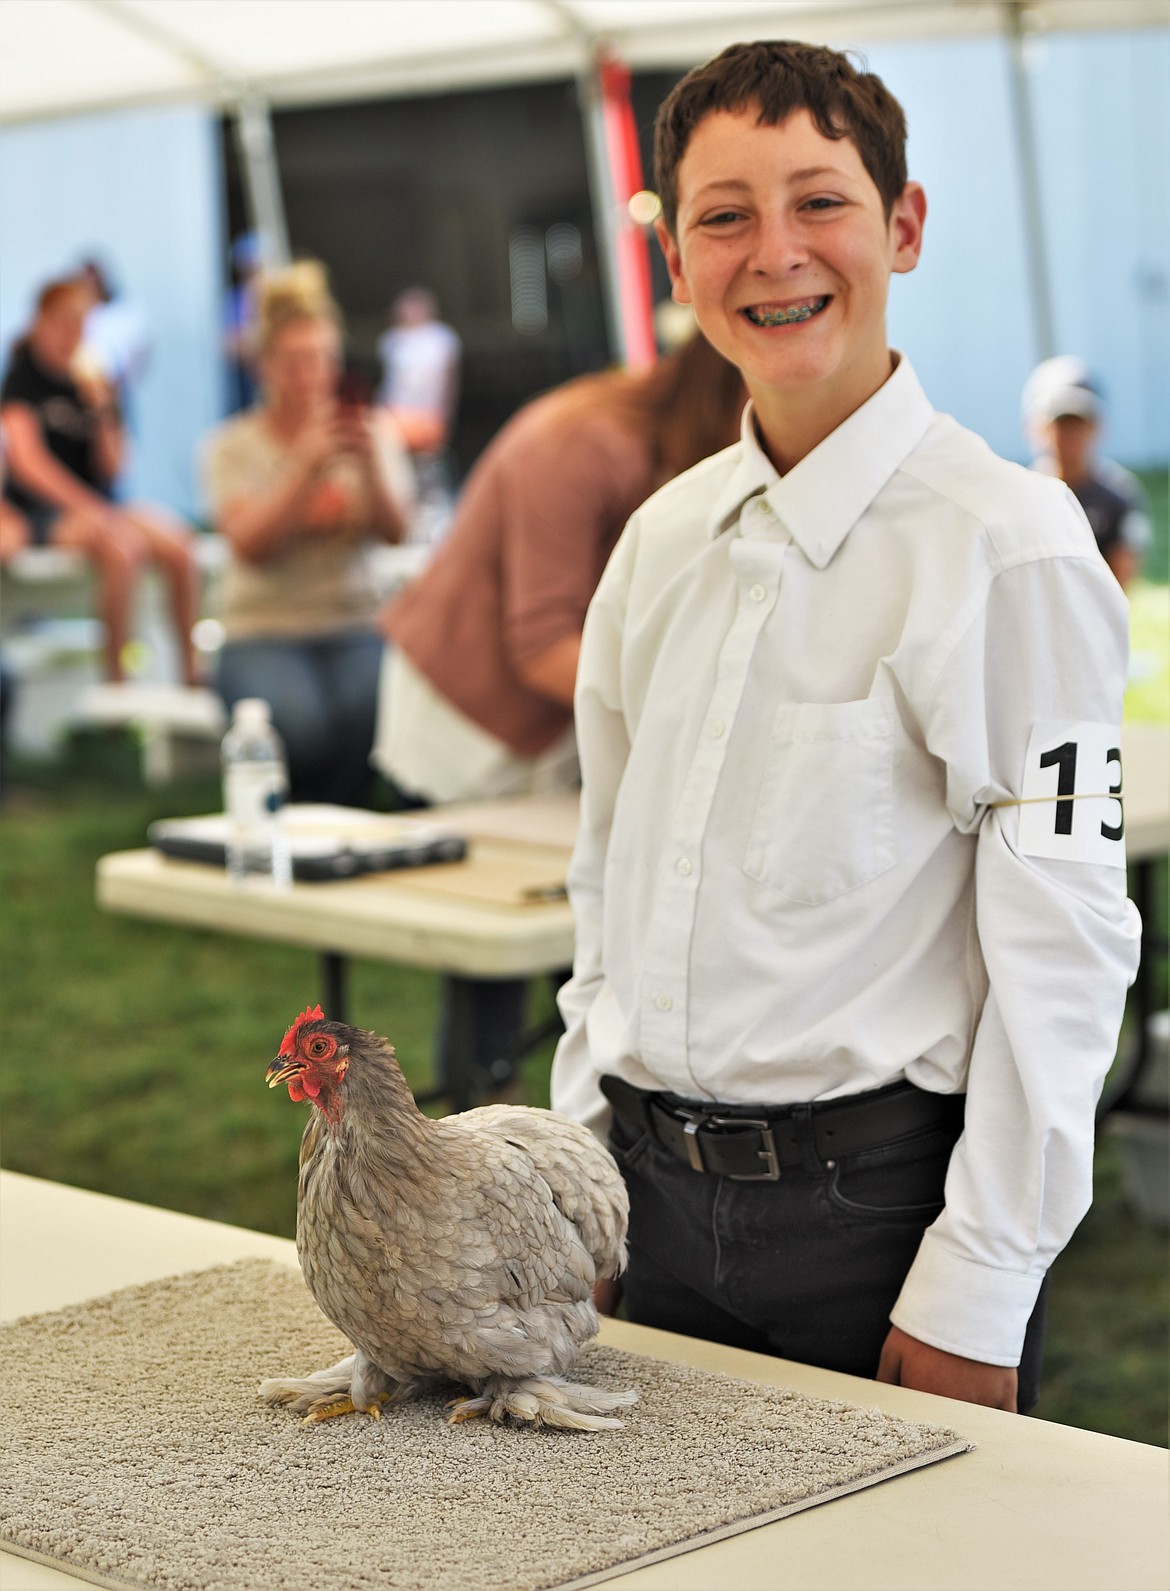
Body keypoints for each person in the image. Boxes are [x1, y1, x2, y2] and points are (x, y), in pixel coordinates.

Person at [550, 40, 1140, 1415]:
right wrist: (576, 1190)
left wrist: (979, 1281)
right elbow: (606, 889)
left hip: (871, 1227)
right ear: (673, 262)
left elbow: (1062, 948)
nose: (775, 252)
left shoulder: (1006, 545)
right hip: (638, 1210)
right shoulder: (658, 543)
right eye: (723, 215)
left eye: (818, 200)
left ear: (904, 226)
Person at [374, 329, 744, 805]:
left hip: (548, 720)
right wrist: (691, 712)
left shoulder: (673, 451)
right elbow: (544, 645)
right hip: (469, 724)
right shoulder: (582, 442)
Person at [202, 260, 415, 807]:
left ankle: (331, 815)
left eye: (321, 357)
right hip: (264, 627)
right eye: (295, 361)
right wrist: (304, 467)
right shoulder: (231, 446)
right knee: (300, 724)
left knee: (378, 712)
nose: (311, 374)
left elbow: (397, 532)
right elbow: (251, 545)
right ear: (264, 365)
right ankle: (307, 814)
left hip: (355, 618)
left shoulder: (371, 431)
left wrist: (369, 465)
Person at [1, 276, 200, 685]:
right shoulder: (23, 377)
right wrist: (86, 506)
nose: (70, 335)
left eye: (80, 325)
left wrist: (105, 408)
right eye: (62, 323)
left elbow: (115, 467)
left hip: (102, 504)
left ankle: (191, 674)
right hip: (45, 510)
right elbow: (27, 462)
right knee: (123, 549)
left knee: (179, 546)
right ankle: (117, 681)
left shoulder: (98, 381)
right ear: (40, 322)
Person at [1022, 356, 1151, 590]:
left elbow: (1123, 575)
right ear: (1034, 427)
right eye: (1059, 423)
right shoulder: (1021, 496)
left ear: (1097, 427)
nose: (1068, 436)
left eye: (1077, 423)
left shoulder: (1118, 495)